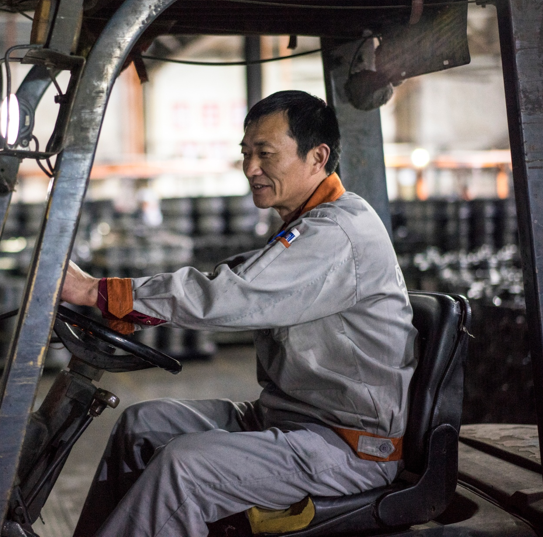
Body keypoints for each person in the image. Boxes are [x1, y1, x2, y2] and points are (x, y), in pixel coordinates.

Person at [62, 90, 417, 537]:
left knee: (185, 468)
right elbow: (229, 281)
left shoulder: (337, 233)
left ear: (317, 157)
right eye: (246, 153)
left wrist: (96, 291)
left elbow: (230, 296)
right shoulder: (304, 229)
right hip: (286, 418)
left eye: (265, 154)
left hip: (345, 446)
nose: (250, 168)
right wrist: (134, 308)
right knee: (142, 424)